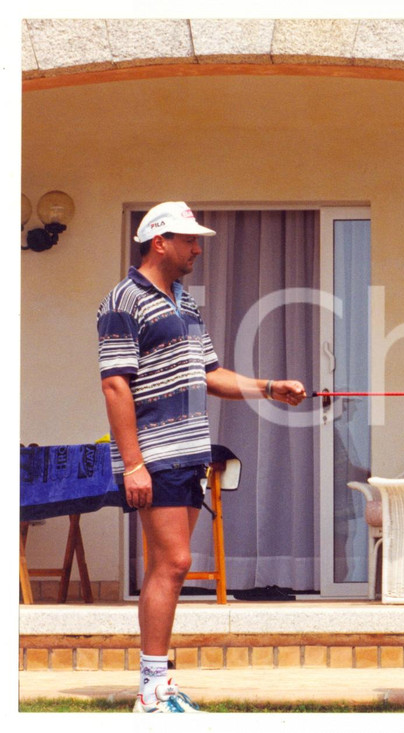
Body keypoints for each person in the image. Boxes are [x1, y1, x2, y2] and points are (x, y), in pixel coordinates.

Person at [97, 202, 307, 713]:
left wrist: (267, 386)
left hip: (190, 451)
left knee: (164, 566)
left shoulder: (184, 302)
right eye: (188, 239)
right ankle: (151, 691)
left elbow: (209, 373)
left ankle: (156, 685)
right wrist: (134, 463)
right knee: (175, 562)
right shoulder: (124, 300)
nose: (197, 248)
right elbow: (114, 384)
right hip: (156, 453)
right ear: (159, 242)